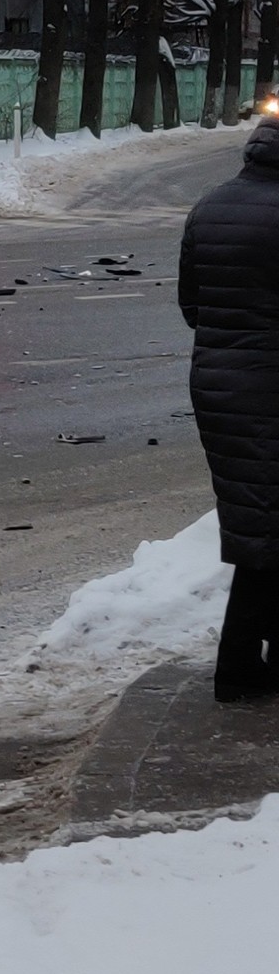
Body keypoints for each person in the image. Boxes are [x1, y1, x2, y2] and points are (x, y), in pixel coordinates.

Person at [178, 115, 279, 699]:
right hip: (269, 385)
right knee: (266, 533)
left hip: (219, 387)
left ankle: (245, 664)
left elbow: (193, 305)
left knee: (260, 525)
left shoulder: (209, 206)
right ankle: (237, 669)